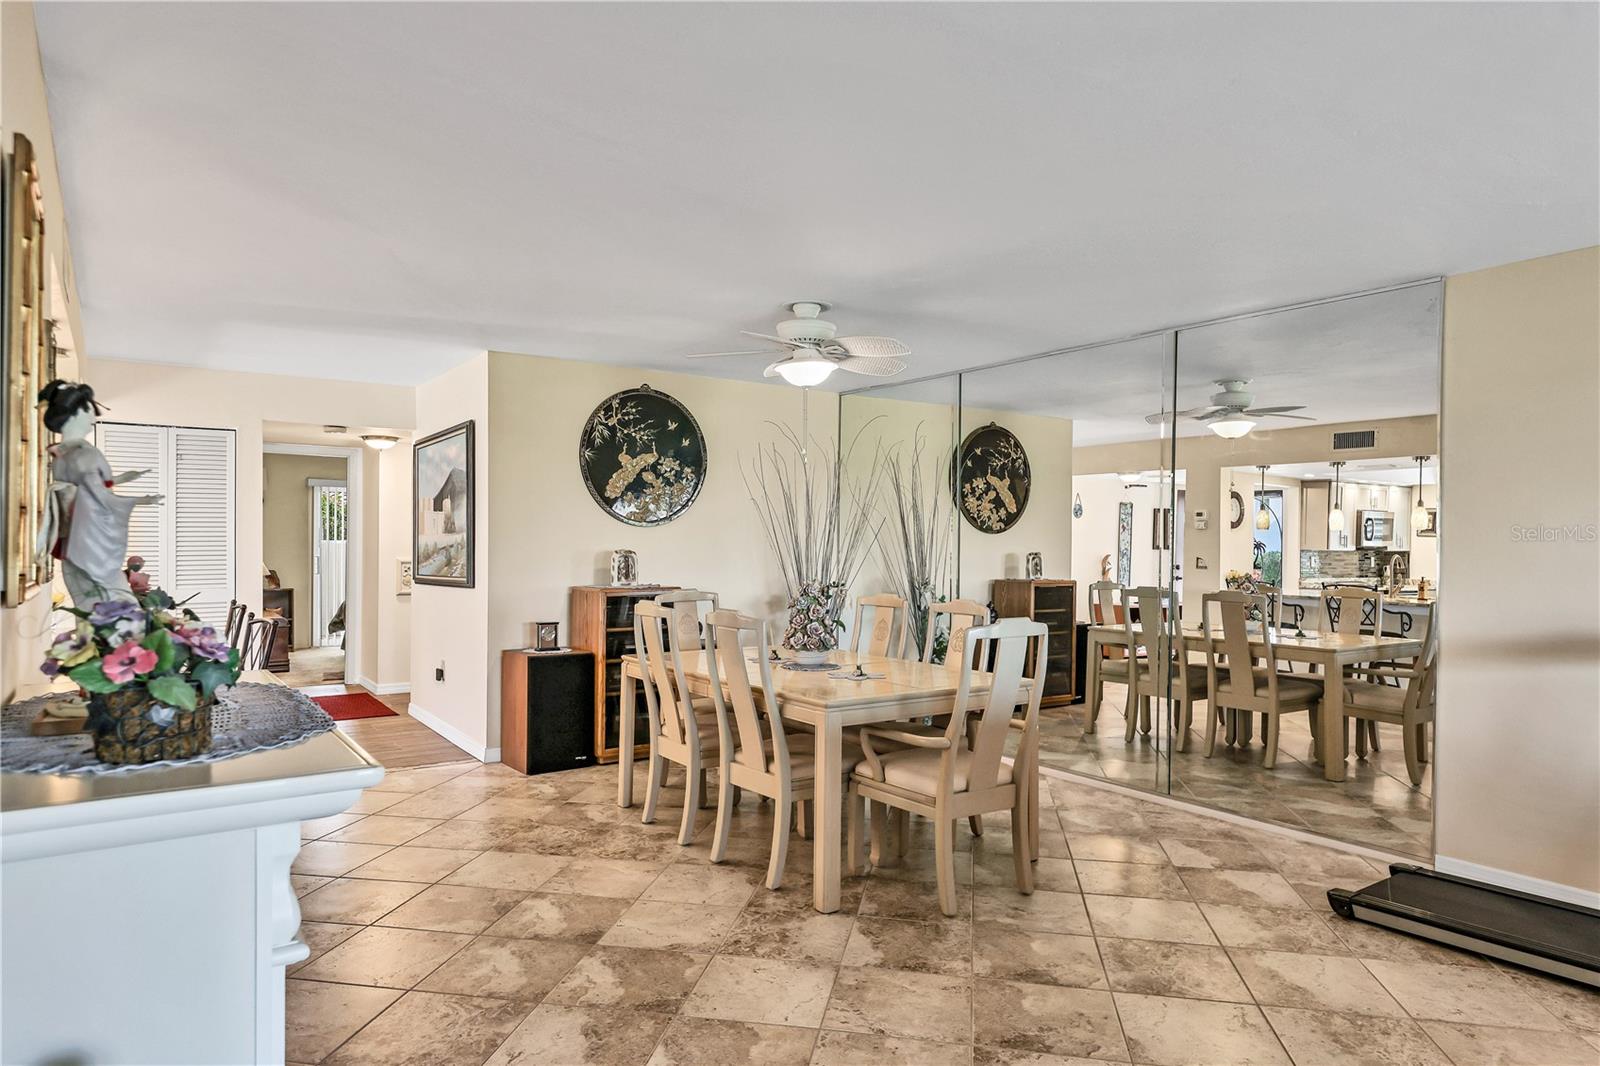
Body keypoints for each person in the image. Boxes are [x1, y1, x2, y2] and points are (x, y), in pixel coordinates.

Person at [33, 380, 161, 607]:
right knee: (113, 603)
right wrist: (140, 500)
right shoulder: (85, 455)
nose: (92, 422)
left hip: (72, 538)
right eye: (89, 414)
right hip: (87, 539)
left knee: (90, 602)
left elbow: (90, 486)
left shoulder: (62, 455)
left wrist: (123, 479)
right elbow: (98, 494)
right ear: (74, 415)